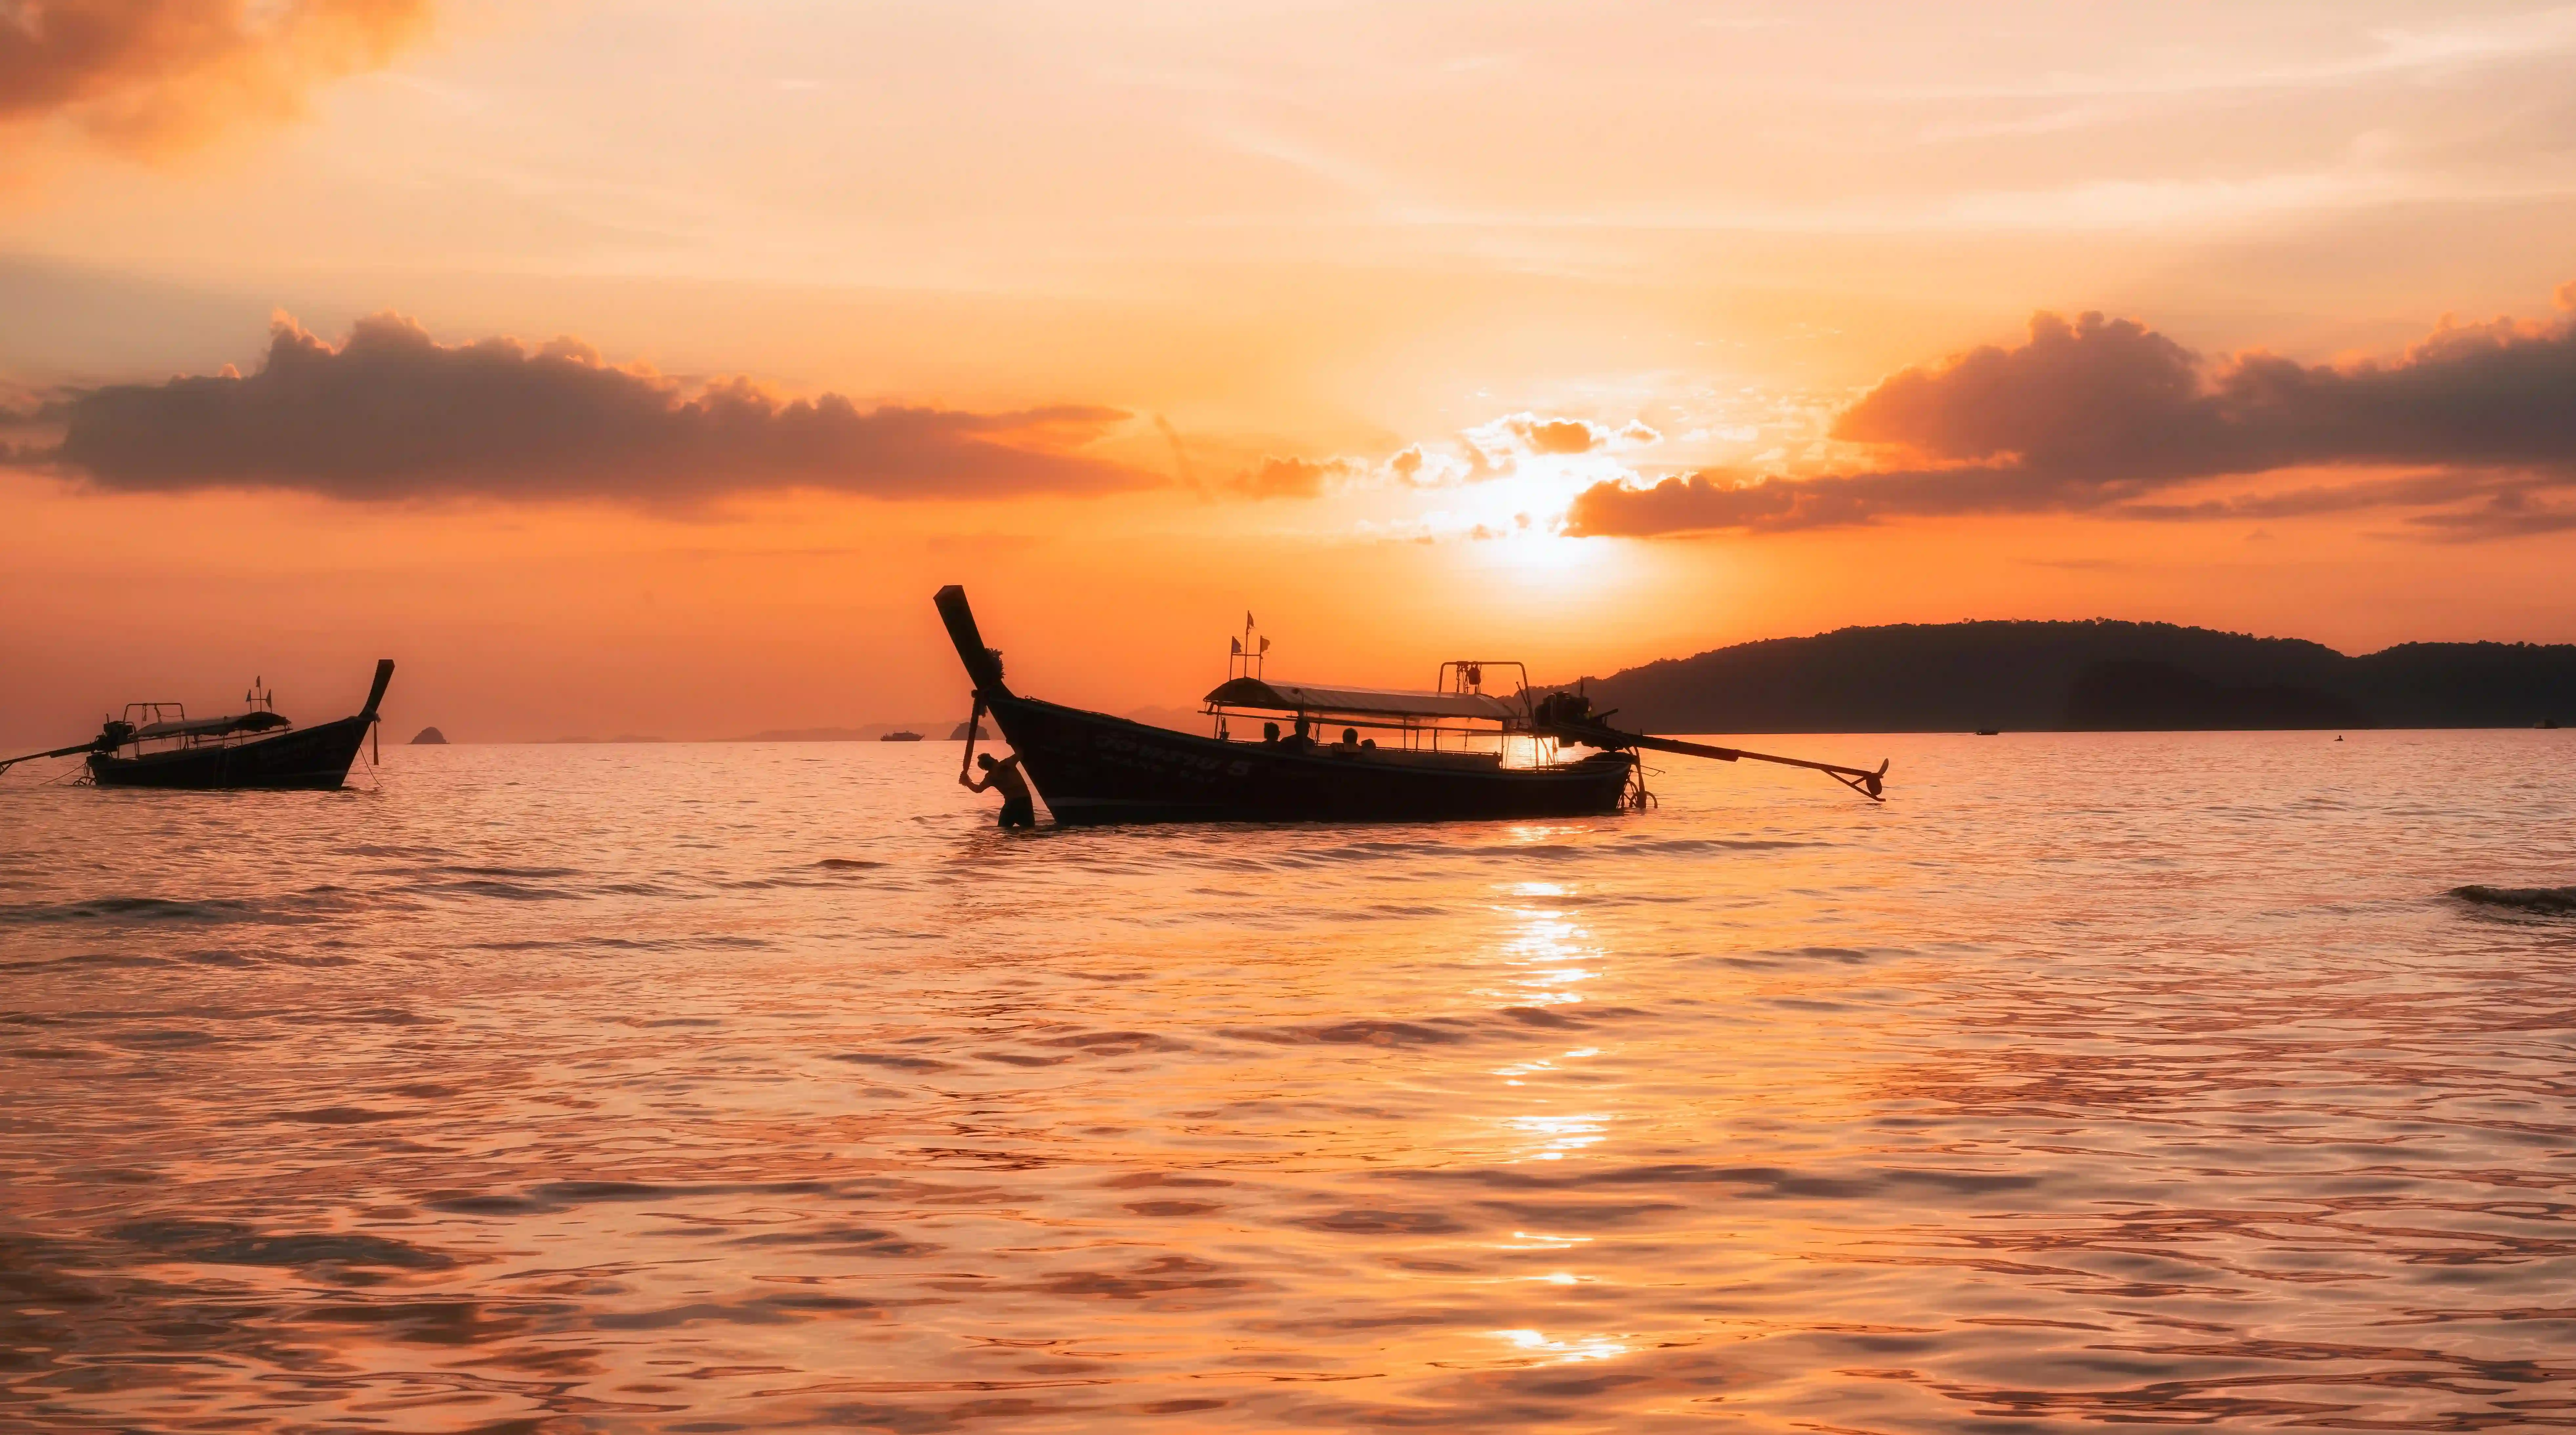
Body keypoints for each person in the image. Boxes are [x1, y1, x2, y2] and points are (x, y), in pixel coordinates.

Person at [961, 751, 1036, 828]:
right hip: (1026, 800)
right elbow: (1021, 753)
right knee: (1029, 829)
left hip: (1012, 804)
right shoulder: (1008, 763)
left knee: (1003, 829)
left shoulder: (991, 777)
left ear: (985, 768)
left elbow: (978, 790)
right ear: (994, 760)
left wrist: (967, 782)